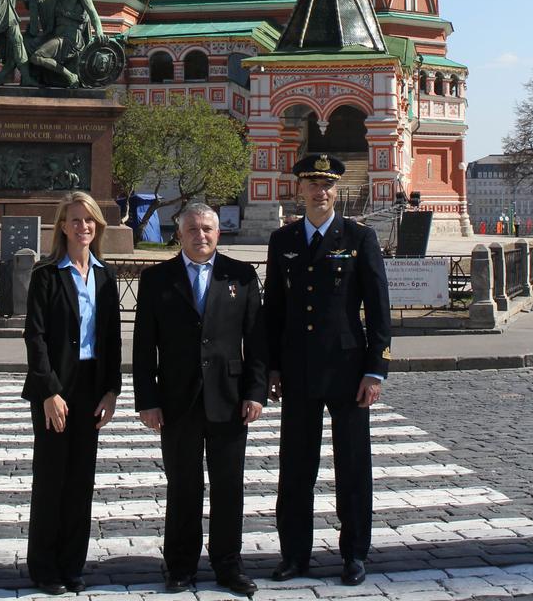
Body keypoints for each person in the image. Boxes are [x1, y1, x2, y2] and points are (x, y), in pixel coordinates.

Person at [263, 153, 391, 588]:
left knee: (352, 466)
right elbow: (273, 310)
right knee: (295, 467)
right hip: (298, 370)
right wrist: (272, 368)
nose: (320, 191)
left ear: (337, 190)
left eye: (327, 185)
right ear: (299, 188)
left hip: (347, 369)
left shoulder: (358, 237)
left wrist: (376, 369)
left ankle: (355, 553)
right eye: (312, 184)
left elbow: (378, 308)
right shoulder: (282, 241)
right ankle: (294, 555)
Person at [133, 202, 268, 596]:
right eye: (192, 228)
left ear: (219, 232)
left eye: (207, 228)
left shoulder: (240, 276)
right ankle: (180, 565)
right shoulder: (157, 279)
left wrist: (256, 392)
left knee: (229, 487)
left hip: (229, 399)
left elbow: (255, 340)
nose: (201, 235)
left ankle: (229, 565)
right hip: (177, 400)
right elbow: (144, 346)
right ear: (179, 233)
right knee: (183, 487)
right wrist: (148, 399)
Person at [22, 192, 121, 594]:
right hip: (55, 388)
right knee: (51, 479)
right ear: (62, 226)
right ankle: (44, 566)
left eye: (89, 221)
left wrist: (112, 390)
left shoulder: (104, 275)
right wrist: (49, 391)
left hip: (90, 386)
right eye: (76, 220)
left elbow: (112, 339)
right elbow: (36, 337)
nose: (83, 227)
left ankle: (72, 564)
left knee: (81, 480)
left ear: (97, 227)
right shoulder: (46, 275)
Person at [25, 0, 104, 87]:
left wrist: (99, 32)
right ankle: (29, 78)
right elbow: (38, 5)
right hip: (57, 38)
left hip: (71, 40)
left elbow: (93, 13)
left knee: (37, 56)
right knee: (27, 44)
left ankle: (70, 76)